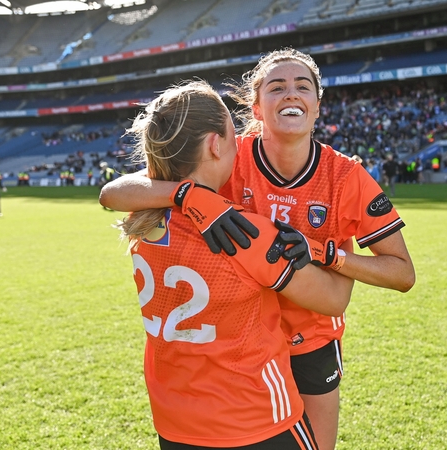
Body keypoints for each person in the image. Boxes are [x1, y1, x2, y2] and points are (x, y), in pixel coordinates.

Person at [101, 48, 415, 449]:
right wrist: (190, 196)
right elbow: (115, 192)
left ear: (318, 105)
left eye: (303, 86)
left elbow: (402, 273)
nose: (291, 93)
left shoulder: (346, 177)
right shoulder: (228, 155)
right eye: (277, 86)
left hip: (309, 342)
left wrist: (326, 254)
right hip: (240, 353)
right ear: (256, 106)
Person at [118, 80, 354, 449]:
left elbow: (112, 193)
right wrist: (338, 228)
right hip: (255, 416)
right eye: (233, 136)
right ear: (215, 145)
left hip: (175, 422)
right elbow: (334, 299)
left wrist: (185, 193)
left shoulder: (141, 214)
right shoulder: (243, 232)